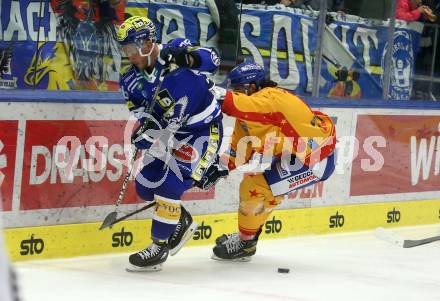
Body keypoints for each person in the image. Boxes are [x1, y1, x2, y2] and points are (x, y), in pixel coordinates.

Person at [198, 62, 336, 261]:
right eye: (233, 90)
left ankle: (245, 243)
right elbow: (240, 150)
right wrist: (216, 169)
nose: (235, 93)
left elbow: (231, 103)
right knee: (264, 191)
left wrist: (198, 88)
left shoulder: (270, 99)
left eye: (238, 89)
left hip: (316, 160)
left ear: (253, 87)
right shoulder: (248, 114)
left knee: (253, 187)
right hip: (298, 156)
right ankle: (249, 235)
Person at [117, 16, 222, 271]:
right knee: (144, 185)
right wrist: (146, 131)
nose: (129, 54)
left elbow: (213, 60)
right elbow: (143, 114)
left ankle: (158, 247)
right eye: (125, 49)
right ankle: (179, 219)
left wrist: (188, 57)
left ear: (148, 41)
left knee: (169, 186)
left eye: (132, 48)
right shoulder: (130, 79)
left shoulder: (176, 54)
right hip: (171, 136)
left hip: (201, 132)